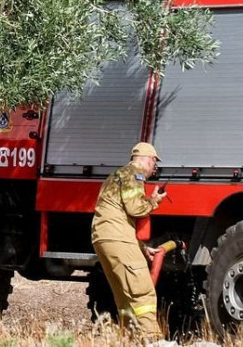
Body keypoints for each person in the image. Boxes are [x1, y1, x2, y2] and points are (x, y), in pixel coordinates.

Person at [91, 142, 168, 339]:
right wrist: (153, 201)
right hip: (116, 237)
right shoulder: (134, 175)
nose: (154, 168)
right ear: (147, 159)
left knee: (124, 296)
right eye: (154, 163)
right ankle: (152, 339)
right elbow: (134, 209)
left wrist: (141, 248)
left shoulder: (116, 175)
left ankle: (130, 339)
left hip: (105, 237)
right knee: (142, 291)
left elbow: (120, 217)